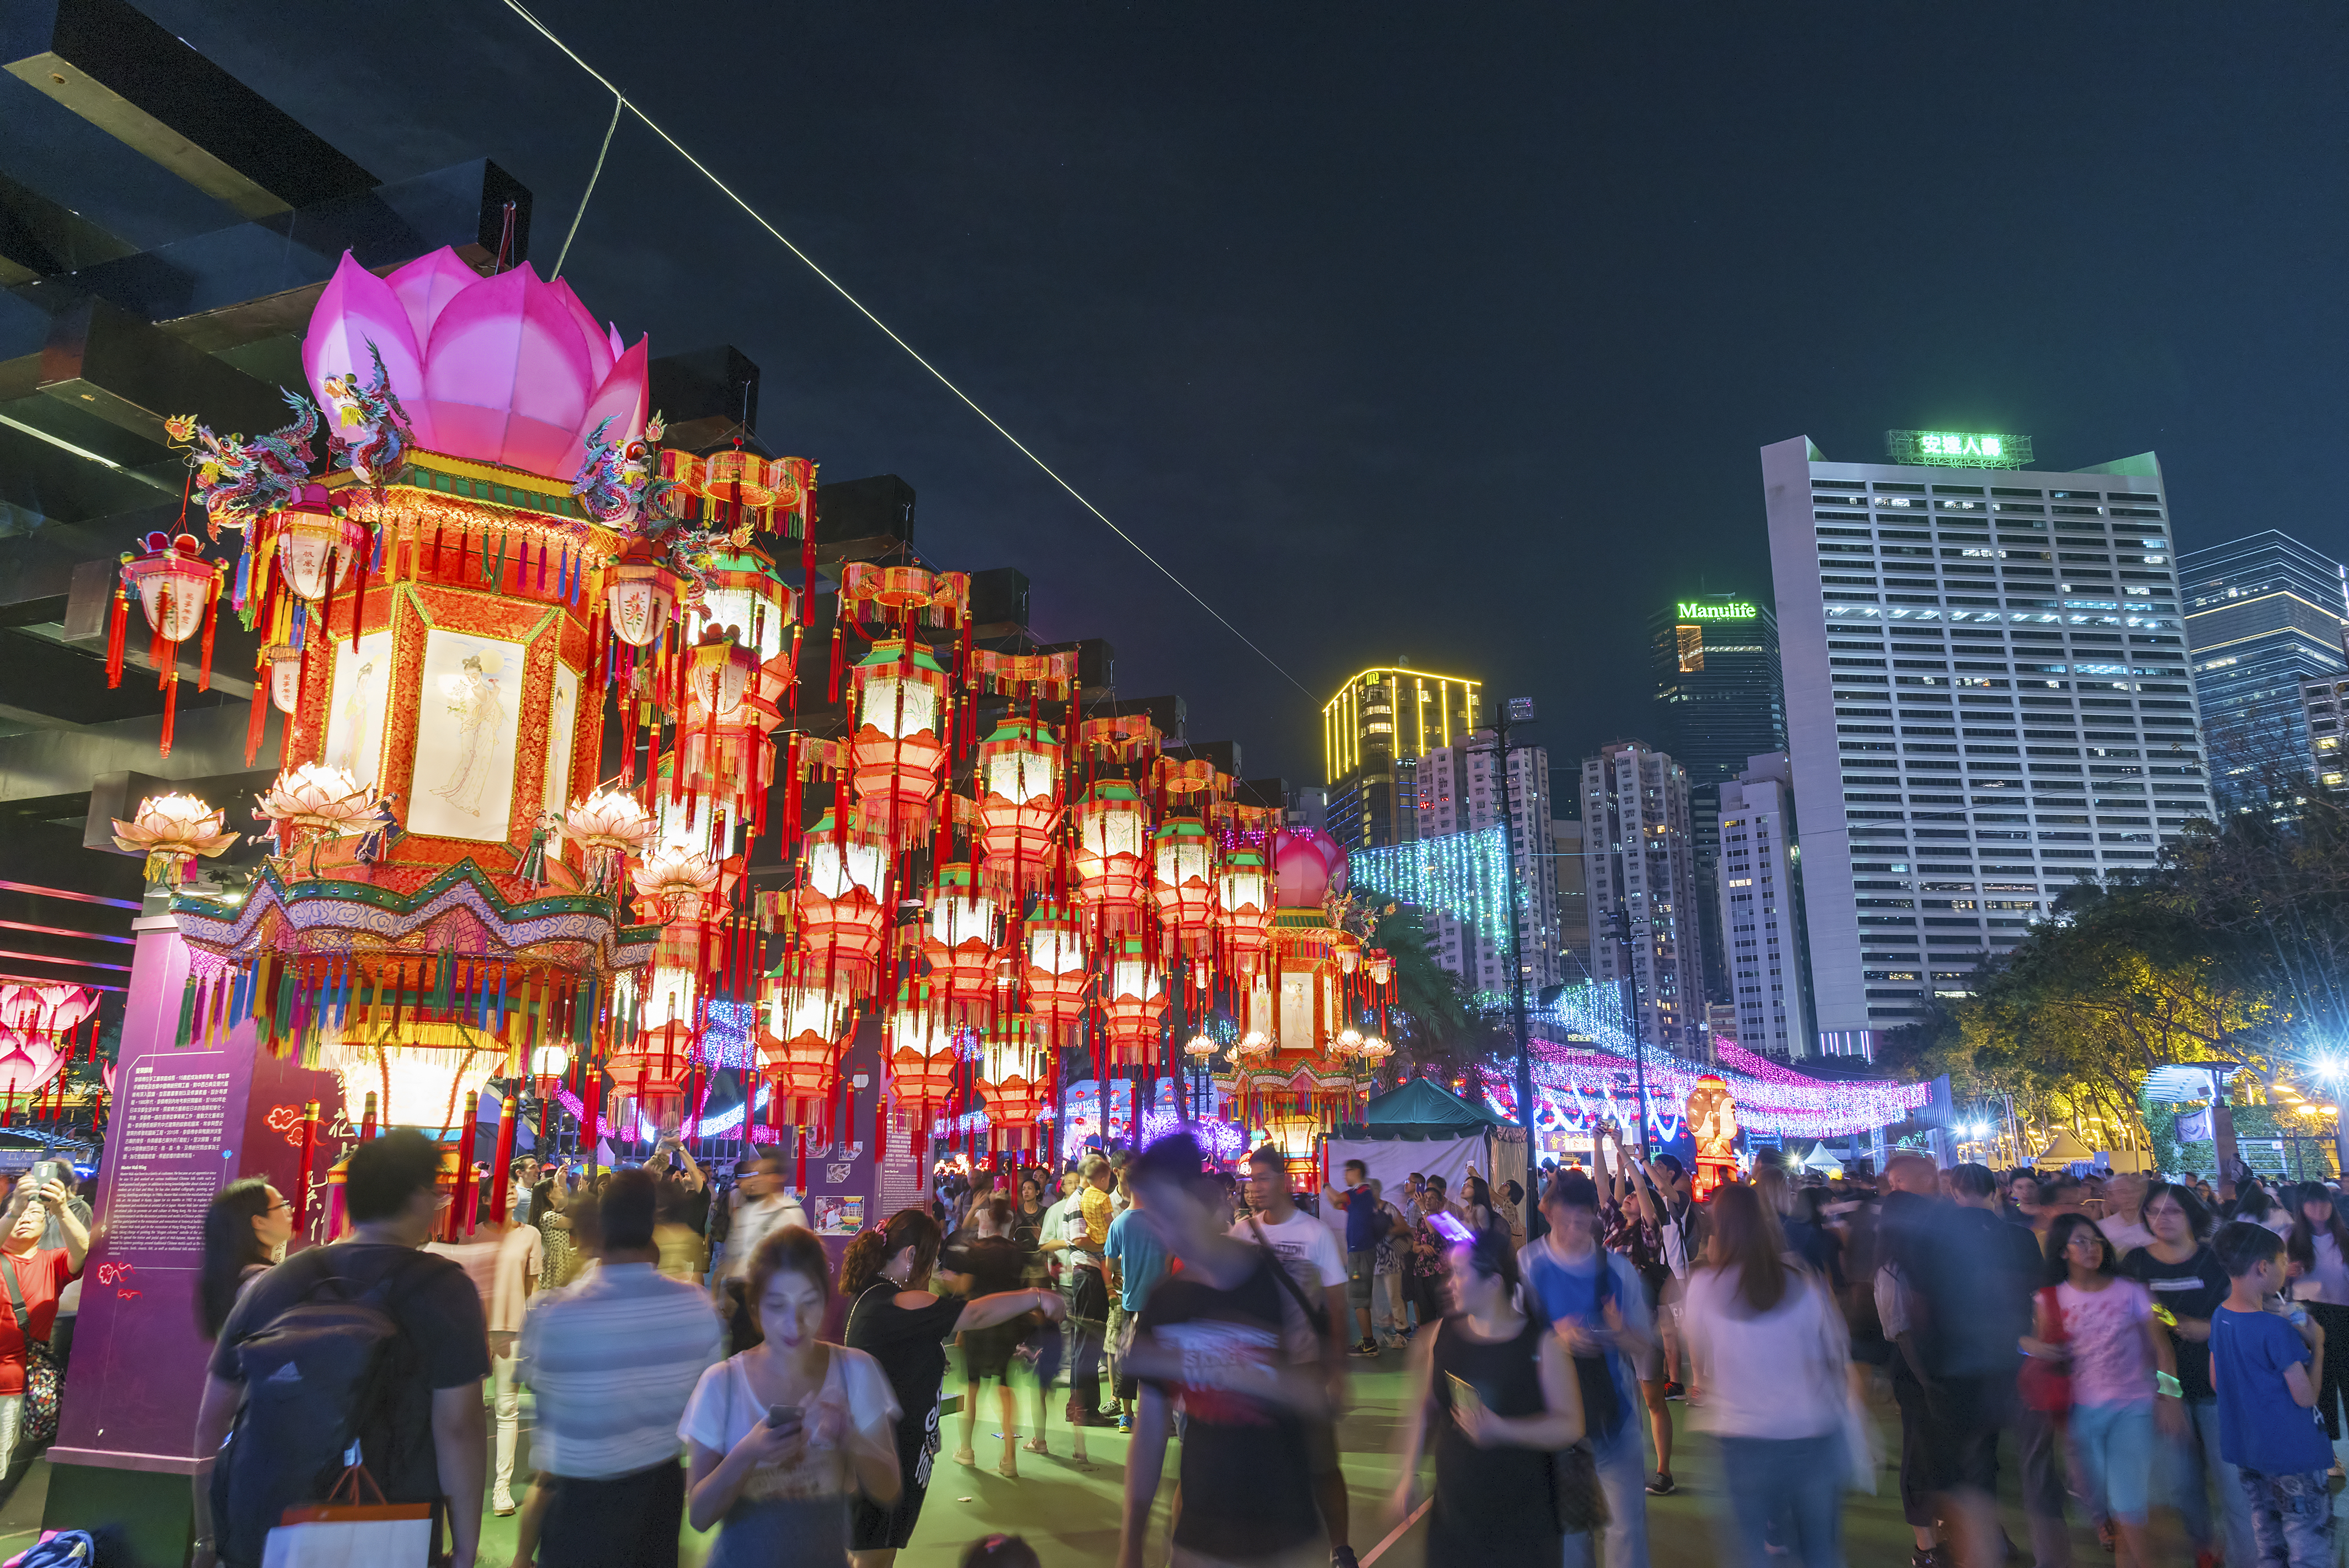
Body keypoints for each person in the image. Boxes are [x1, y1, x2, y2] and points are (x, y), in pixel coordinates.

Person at [193, 1130, 488, 1568]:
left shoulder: (280, 1280)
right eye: (435, 1192)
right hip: (389, 1511)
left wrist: (208, 1538)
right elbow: (458, 1427)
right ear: (415, 1197)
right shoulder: (443, 1287)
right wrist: (465, 1548)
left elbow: (213, 1419)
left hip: (270, 1511)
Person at [1119, 1134, 1337, 1568]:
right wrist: (1131, 1544)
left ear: (1202, 1197)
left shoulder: (1274, 1282)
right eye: (1154, 1218)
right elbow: (1149, 1434)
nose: (1164, 1230)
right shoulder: (1165, 1303)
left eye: (1168, 1211)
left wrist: (1237, 1369)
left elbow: (1317, 1399)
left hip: (1281, 1525)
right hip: (1202, 1523)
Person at [517, 1168, 724, 1568]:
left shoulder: (556, 1315)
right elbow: (702, 1409)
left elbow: (547, 1421)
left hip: (577, 1503)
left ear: (603, 1223)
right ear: (652, 1224)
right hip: (659, 1496)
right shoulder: (697, 1308)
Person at [841, 1208, 1066, 1564]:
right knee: (871, 1558)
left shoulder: (876, 1299)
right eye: (931, 1261)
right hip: (886, 1456)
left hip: (892, 1452)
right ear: (911, 1255)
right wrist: (1038, 1296)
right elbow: (974, 1314)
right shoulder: (896, 1300)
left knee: (873, 1555)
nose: (933, 1273)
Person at [682, 1229, 902, 1567]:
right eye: (777, 1306)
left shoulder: (856, 1371)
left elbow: (889, 1490)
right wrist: (749, 1451)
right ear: (755, 1309)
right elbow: (699, 1515)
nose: (794, 1324)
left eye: (808, 1303)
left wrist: (850, 1438)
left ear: (825, 1302)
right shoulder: (721, 1384)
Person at [1391, 1221, 1583, 1568]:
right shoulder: (1442, 1336)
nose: (1449, 1283)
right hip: (1454, 1519)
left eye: (1460, 1274)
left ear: (1494, 1281)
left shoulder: (1543, 1344)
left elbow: (1570, 1425)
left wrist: (1501, 1429)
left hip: (1523, 1526)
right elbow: (1425, 1408)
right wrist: (1409, 1474)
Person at [1681, 1183, 1849, 1568]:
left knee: (1752, 1555)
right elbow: (1830, 1356)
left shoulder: (1706, 1286)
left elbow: (1702, 1360)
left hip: (1743, 1437)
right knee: (1820, 1553)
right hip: (1809, 1429)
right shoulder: (1801, 1280)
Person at [2026, 1213, 2180, 1568]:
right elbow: (2036, 1345)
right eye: (2080, 1241)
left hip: (2134, 1408)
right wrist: (2036, 1347)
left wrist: (2171, 1396)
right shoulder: (2050, 1299)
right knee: (2118, 1511)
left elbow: (2162, 1349)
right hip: (2083, 1415)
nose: (2091, 1248)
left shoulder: (2131, 1290)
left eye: (2095, 1240)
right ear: (2063, 1251)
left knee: (2130, 1507)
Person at [1522, 1167, 1654, 1568]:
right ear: (1548, 1213)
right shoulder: (1528, 1265)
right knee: (1571, 1537)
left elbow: (1645, 1345)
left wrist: (1618, 1331)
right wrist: (1555, 1338)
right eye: (1565, 1222)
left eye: (1582, 1222)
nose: (1573, 1232)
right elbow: (1516, 1344)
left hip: (1614, 1419)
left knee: (1626, 1531)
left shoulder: (1617, 1269)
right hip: (1559, 1424)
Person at [1232, 1145, 1355, 1568]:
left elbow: (1337, 1306)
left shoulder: (1314, 1233)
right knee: (1252, 1464)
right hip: (1254, 1370)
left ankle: (1340, 1546)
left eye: (1264, 1178)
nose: (1256, 1187)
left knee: (1323, 1463)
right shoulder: (1242, 1233)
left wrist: (1337, 1372)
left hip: (1303, 1369)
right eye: (1251, 1179)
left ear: (1283, 1180)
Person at [2118, 1179, 2251, 1568]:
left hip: (2219, 1385)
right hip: (2164, 1388)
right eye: (2154, 1210)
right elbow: (2140, 1315)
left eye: (2172, 1210)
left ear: (2191, 1213)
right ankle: (2205, 1546)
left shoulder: (2216, 1259)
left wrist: (2208, 1328)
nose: (2162, 1218)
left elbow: (2245, 1312)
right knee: (2183, 1480)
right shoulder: (2137, 1262)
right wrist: (2168, 1320)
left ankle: (2246, 1556)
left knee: (2234, 1482)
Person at [2209, 1219, 2335, 1568]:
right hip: (2293, 1451)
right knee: (2308, 1539)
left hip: (2249, 1449)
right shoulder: (2275, 1328)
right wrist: (2319, 1344)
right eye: (2282, 1262)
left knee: (2270, 1539)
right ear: (2262, 1267)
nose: (2285, 1269)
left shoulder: (2220, 1317)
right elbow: (2306, 1397)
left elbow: (2218, 1382)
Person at [940, 1197, 1035, 1466]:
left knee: (972, 1387)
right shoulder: (1016, 1251)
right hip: (1007, 1323)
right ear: (1008, 1221)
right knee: (1005, 1386)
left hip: (980, 1323)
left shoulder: (975, 1250)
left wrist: (948, 1280)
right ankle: (1010, 1457)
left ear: (987, 1219)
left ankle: (967, 1450)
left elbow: (965, 1287)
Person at [0, 1177, 83, 1479]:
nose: (24, 1218)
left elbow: (83, 1251)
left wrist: (61, 1208)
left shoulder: (52, 1262)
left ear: (46, 1225)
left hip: (10, 1385)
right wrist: (15, 1209)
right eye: (18, 1212)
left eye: (34, 1214)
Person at [2283, 1181, 2349, 1461]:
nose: (2319, 1208)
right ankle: (2329, 1450)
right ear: (2302, 1207)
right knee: (2319, 1379)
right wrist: (2287, 1273)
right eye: (2312, 1203)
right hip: (2306, 1313)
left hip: (2344, 1312)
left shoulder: (2344, 1236)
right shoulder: (2290, 1238)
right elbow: (2275, 1282)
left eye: (2324, 1202)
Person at [490, 1180, 544, 1516]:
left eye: (513, 1185)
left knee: (506, 1410)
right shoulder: (470, 1234)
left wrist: (534, 1331)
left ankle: (501, 1488)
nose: (510, 1188)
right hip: (473, 1332)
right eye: (501, 1185)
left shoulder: (530, 1234)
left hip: (511, 1331)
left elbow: (533, 1288)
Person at [1103, 1176, 1171, 1434]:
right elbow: (1171, 1257)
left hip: (1131, 1300)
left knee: (1127, 1359)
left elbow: (1109, 1266)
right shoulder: (1161, 1221)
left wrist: (1126, 1259)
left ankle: (1127, 1417)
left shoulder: (1119, 1224)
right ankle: (1157, 1417)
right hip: (1160, 1302)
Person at [718, 1152, 807, 1351]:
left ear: (779, 1177)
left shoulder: (791, 1214)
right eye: (754, 1173)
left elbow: (799, 1265)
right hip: (744, 1300)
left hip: (773, 1302)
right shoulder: (748, 1211)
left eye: (764, 1173)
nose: (756, 1178)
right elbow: (734, 1255)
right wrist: (725, 1292)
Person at [196, 1179, 292, 1340]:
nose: (289, 1210)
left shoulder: (233, 1277)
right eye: (282, 1205)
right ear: (259, 1221)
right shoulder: (260, 1282)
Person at [1324, 1160, 1385, 1357]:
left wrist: (1325, 1186)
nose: (1344, 1176)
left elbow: (1335, 1200)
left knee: (1359, 1297)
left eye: (1347, 1171)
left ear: (1356, 1171)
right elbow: (1338, 1205)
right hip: (1360, 1250)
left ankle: (1369, 1344)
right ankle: (1368, 1342)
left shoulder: (1360, 1193)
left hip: (1360, 1251)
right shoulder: (1361, 1196)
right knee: (1361, 1298)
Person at [1369, 1182, 1412, 1349]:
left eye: (1371, 1190)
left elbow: (1404, 1227)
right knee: (1377, 1299)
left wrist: (1385, 1230)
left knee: (1394, 1297)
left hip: (1391, 1259)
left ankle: (1401, 1334)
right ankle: (1384, 1333)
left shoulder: (1389, 1208)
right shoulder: (1366, 1211)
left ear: (1378, 1191)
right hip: (1374, 1260)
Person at [2098, 1172, 2154, 1256]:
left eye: (2135, 1190)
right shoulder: (2103, 1227)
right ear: (2113, 1196)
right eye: (2122, 1191)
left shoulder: (2156, 1224)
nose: (2129, 1196)